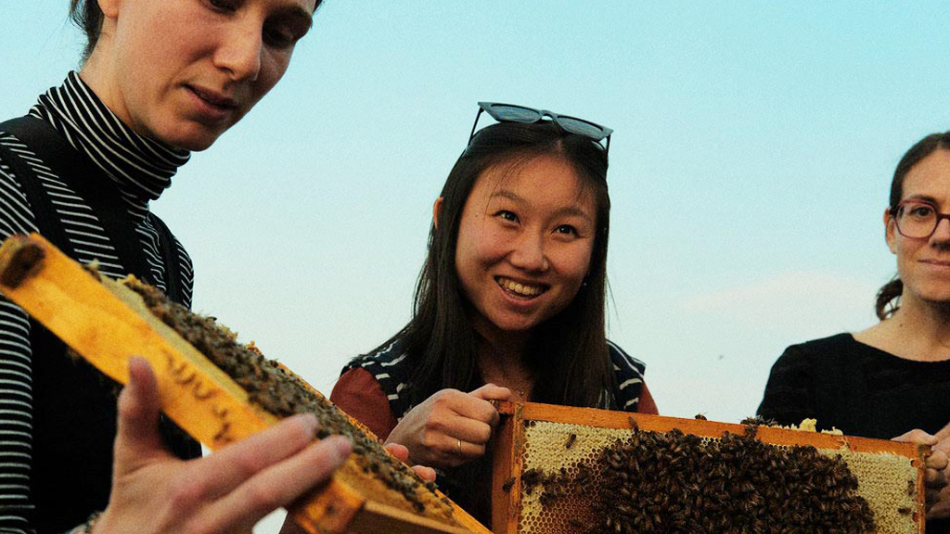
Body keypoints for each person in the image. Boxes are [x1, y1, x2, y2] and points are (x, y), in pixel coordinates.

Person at [0, 0, 375, 532]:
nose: (247, 60)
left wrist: (359, 469)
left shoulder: (166, 254)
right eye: (220, 2)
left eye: (281, 32)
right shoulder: (6, 196)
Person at [328, 102, 658, 522]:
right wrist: (395, 453)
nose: (531, 257)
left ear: (595, 250)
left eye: (565, 230)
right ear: (444, 217)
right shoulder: (374, 389)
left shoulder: (620, 386)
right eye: (508, 216)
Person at [757, 131, 950, 527]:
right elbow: (758, 518)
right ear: (890, 229)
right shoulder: (808, 372)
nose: (943, 235)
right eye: (922, 211)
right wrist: (876, 483)